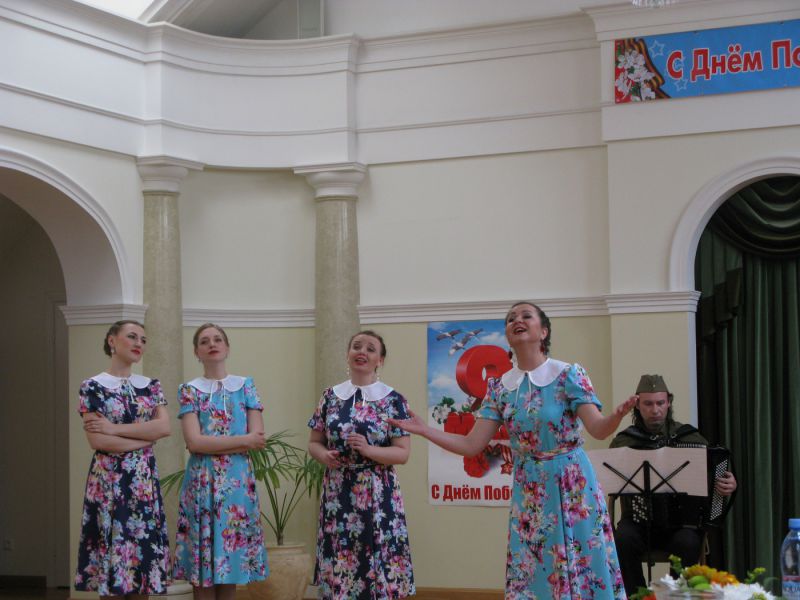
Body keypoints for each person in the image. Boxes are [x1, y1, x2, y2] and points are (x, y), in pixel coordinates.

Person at [391, 302, 636, 599]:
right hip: (530, 488)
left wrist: (616, 416)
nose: (517, 320)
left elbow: (598, 429)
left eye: (526, 316)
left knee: (581, 560)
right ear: (507, 334)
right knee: (535, 565)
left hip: (572, 483)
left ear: (543, 331)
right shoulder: (500, 388)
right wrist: (424, 430)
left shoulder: (568, 374)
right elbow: (471, 445)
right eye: (511, 318)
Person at [307, 330, 415, 600]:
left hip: (379, 492)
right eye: (356, 346)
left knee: (378, 564)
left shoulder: (394, 400)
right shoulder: (330, 397)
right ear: (348, 354)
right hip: (338, 492)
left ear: (380, 360)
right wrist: (324, 455)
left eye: (370, 348)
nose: (362, 352)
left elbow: (402, 453)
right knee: (341, 562)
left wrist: (369, 450)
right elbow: (314, 443)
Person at [609, 374, 737, 596]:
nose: (655, 410)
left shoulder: (690, 437)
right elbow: (609, 481)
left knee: (688, 543)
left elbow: (715, 474)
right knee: (621, 540)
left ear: (669, 402)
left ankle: (675, 597)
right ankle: (640, 597)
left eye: (660, 403)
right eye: (648, 404)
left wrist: (728, 483)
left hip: (681, 526)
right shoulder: (624, 442)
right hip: (638, 523)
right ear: (637, 405)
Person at [75, 320, 172, 598]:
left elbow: (164, 427)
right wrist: (145, 440)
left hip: (143, 483)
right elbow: (99, 441)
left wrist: (113, 428)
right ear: (112, 341)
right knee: (112, 566)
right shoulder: (92, 386)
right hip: (108, 482)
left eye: (143, 339)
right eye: (132, 337)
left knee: (143, 566)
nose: (139, 343)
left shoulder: (151, 385)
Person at [173, 323, 268, 600]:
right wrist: (242, 441)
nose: (212, 344)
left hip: (238, 485)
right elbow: (194, 443)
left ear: (227, 347)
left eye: (217, 339)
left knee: (232, 565)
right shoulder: (189, 390)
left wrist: (216, 444)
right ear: (196, 352)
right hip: (202, 482)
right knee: (202, 570)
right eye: (204, 341)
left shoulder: (245, 385)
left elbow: (258, 438)